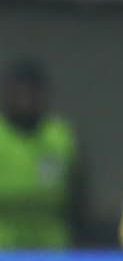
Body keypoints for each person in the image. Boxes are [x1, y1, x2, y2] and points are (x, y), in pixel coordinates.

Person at [0, 60, 81, 248]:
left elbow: (78, 191)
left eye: (31, 92)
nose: (25, 99)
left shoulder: (60, 135)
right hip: (4, 237)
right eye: (19, 92)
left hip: (50, 240)